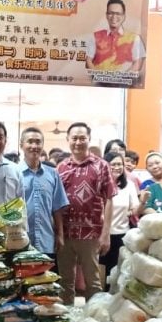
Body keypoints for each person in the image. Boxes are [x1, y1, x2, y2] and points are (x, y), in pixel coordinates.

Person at [57, 122, 116, 304]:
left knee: (93, 282)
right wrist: (58, 233)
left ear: (89, 139)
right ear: (68, 139)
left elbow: (109, 199)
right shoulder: (61, 167)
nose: (78, 142)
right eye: (74, 138)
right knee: (65, 281)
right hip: (65, 234)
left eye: (82, 138)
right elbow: (56, 203)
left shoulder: (101, 166)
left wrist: (106, 233)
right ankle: (66, 316)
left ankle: (94, 316)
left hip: (91, 233)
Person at [19, 128, 68, 258]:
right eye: (30, 141)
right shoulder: (13, 173)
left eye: (38, 142)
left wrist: (60, 235)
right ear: (21, 145)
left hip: (46, 241)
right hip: (19, 242)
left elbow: (57, 208)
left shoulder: (53, 174)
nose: (34, 146)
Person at [85, 0, 145, 87]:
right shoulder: (95, 36)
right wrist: (101, 78)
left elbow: (138, 63)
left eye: (118, 14)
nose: (114, 17)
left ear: (123, 16)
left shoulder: (135, 38)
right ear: (106, 15)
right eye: (111, 13)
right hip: (99, 85)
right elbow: (88, 61)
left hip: (124, 85)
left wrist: (121, 80)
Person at [100, 151, 140, 283]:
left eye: (120, 164)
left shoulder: (129, 185)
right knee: (100, 272)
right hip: (101, 235)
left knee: (116, 273)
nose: (117, 167)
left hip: (121, 234)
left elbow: (135, 208)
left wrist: (129, 212)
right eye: (113, 164)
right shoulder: (99, 184)